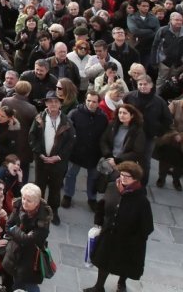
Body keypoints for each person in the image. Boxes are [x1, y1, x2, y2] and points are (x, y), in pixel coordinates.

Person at [85, 161, 153, 292]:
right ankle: (99, 286)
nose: (123, 178)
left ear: (136, 179)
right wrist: (98, 224)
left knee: (125, 264)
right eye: (122, 174)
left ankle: (121, 284)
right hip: (109, 234)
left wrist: (135, 240)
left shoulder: (141, 200)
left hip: (128, 240)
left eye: (128, 176)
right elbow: (102, 205)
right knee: (103, 261)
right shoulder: (112, 187)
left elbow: (147, 226)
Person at [29, 90, 73, 224]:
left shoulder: (67, 121)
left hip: (58, 163)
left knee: (55, 188)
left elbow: (70, 142)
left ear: (60, 104)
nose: (53, 104)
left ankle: (53, 211)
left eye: (56, 101)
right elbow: (32, 138)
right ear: (46, 104)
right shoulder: (38, 119)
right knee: (39, 186)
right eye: (50, 101)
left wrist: (58, 157)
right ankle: (38, 210)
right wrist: (40, 154)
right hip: (41, 161)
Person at [3, 183, 52, 292]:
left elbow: (28, 241)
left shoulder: (43, 218)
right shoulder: (19, 205)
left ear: (37, 202)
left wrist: (15, 230)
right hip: (14, 253)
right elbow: (8, 226)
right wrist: (19, 233)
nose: (24, 202)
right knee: (16, 282)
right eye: (24, 198)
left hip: (31, 259)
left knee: (31, 286)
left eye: (28, 200)